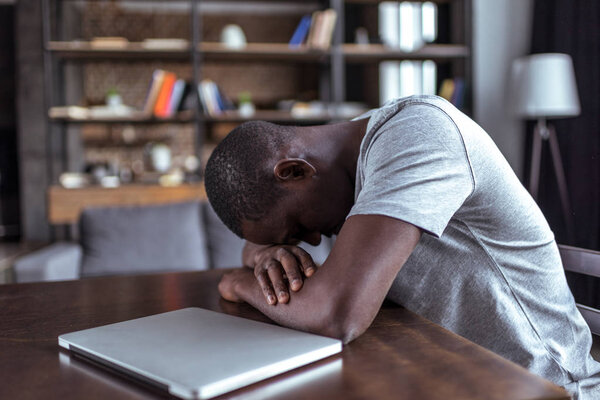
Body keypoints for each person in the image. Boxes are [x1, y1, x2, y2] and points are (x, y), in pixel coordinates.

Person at [204, 95, 600, 399]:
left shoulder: (416, 133)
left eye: (298, 227)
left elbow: (339, 315)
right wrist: (263, 255)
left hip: (544, 384)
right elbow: (271, 262)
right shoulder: (344, 168)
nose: (312, 240)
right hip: (455, 375)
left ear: (294, 171)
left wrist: (239, 283)